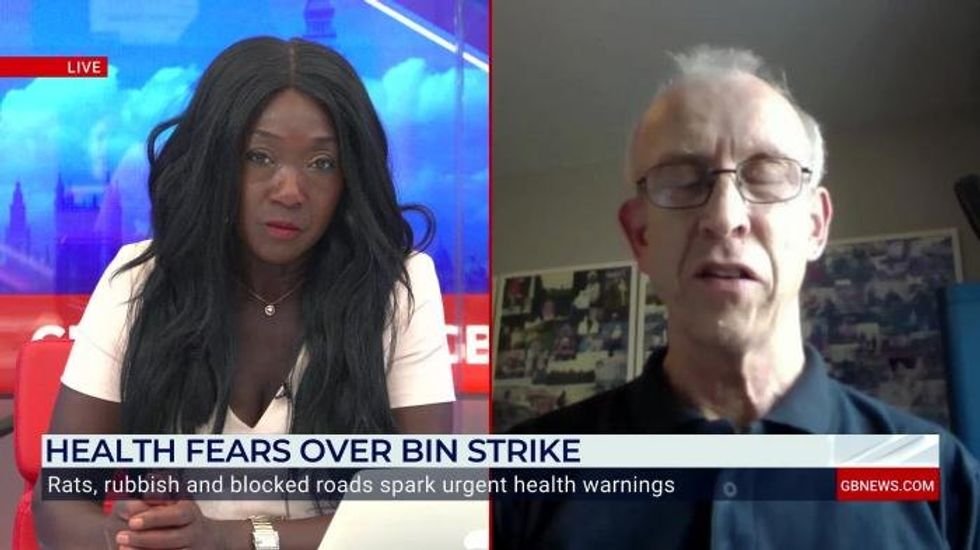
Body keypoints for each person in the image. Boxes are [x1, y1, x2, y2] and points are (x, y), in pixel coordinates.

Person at [494, 46, 979, 549]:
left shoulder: (936, 476)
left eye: (766, 174)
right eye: (682, 181)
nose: (725, 218)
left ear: (815, 225)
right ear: (640, 236)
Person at [33, 36, 456, 549]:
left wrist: (230, 539)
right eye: (259, 156)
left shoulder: (398, 286)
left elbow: (424, 505)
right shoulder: (139, 280)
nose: (290, 191)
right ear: (214, 159)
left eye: (322, 163)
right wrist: (124, 535)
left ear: (351, 178)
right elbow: (58, 501)